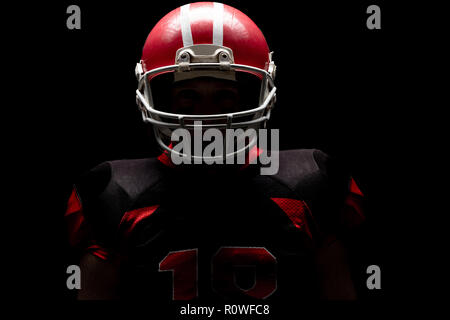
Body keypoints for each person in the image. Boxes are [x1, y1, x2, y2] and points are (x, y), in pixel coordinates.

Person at [64, 2, 365, 300]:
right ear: (156, 98)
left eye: (224, 97)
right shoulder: (113, 193)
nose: (206, 116)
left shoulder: (312, 182)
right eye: (188, 96)